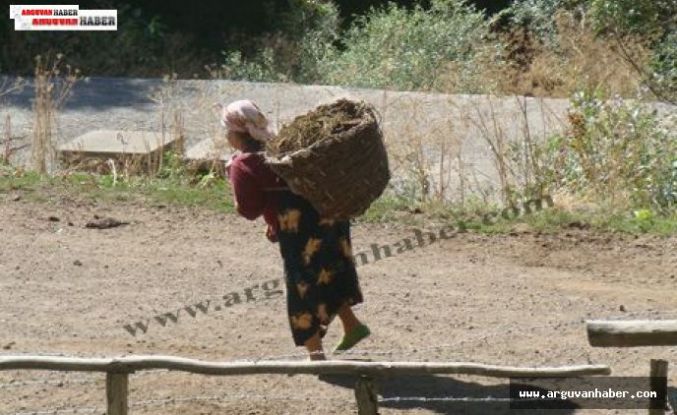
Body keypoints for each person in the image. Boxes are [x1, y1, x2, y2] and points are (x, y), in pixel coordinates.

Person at [219, 99, 370, 360]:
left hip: (299, 232)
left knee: (302, 288)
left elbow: (248, 209)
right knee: (329, 270)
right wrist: (274, 223)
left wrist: (235, 186)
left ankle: (316, 357)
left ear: (236, 133)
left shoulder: (243, 165)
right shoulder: (284, 148)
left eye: (227, 130)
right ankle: (352, 325)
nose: (225, 135)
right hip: (330, 215)